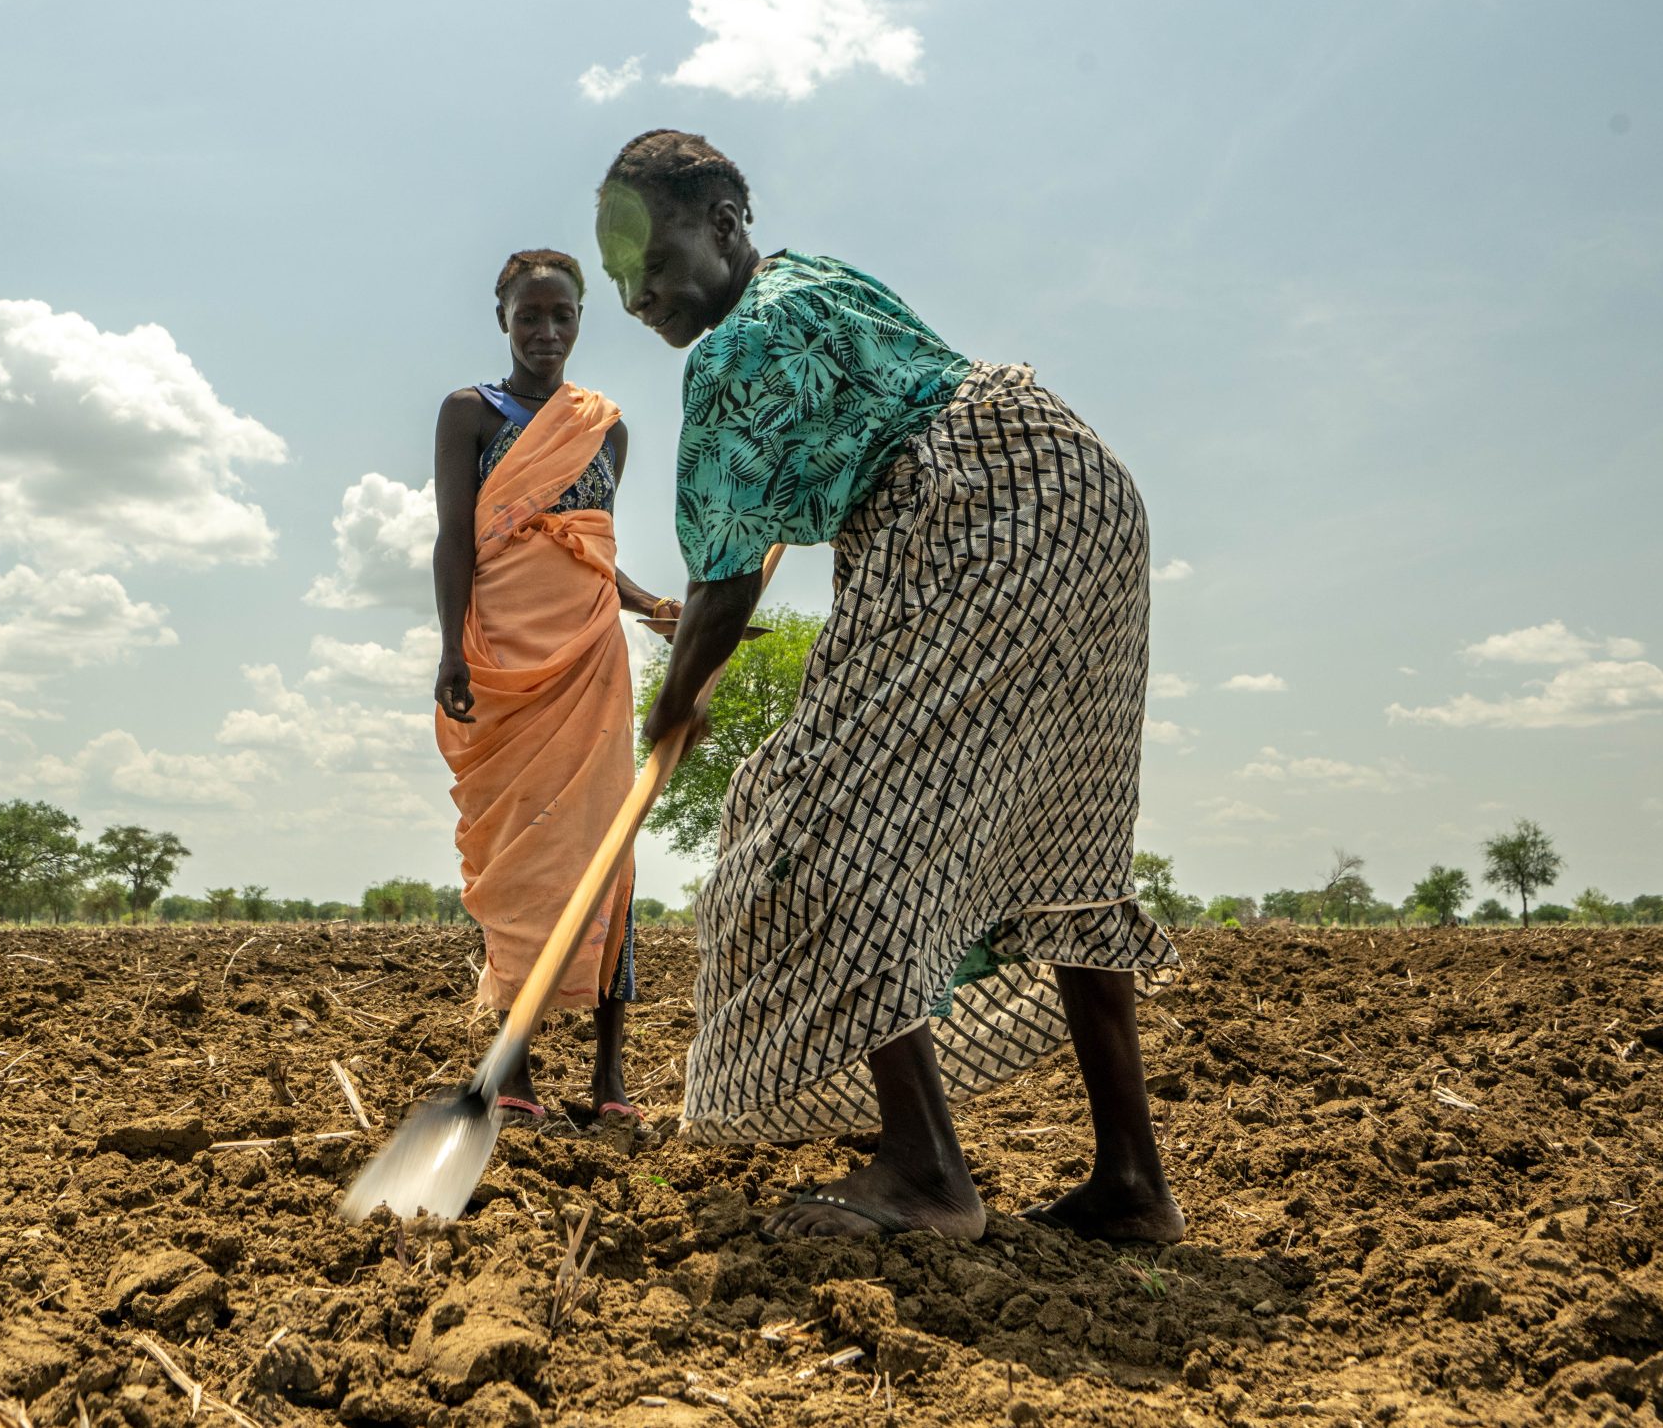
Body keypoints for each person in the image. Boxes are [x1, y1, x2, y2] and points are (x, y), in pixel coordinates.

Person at [597, 130, 1184, 1242]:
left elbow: (720, 587)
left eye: (650, 256)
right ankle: (1132, 1185)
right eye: (619, 270)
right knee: (1068, 832)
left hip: (970, 517)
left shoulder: (732, 355)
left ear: (722, 224)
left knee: (814, 812)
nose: (636, 292)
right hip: (1078, 487)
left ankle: (922, 1169)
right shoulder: (821, 280)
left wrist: (677, 704)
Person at [432, 248, 675, 1124]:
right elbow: (455, 540)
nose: (545, 331)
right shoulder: (470, 412)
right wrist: (450, 650)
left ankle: (609, 1078)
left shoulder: (604, 427)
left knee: (609, 858)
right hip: (502, 663)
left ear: (581, 321)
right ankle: (520, 1074)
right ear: (503, 318)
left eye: (561, 315)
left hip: (589, 663)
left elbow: (593, 549)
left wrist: (655, 607)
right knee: (521, 857)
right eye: (529, 315)